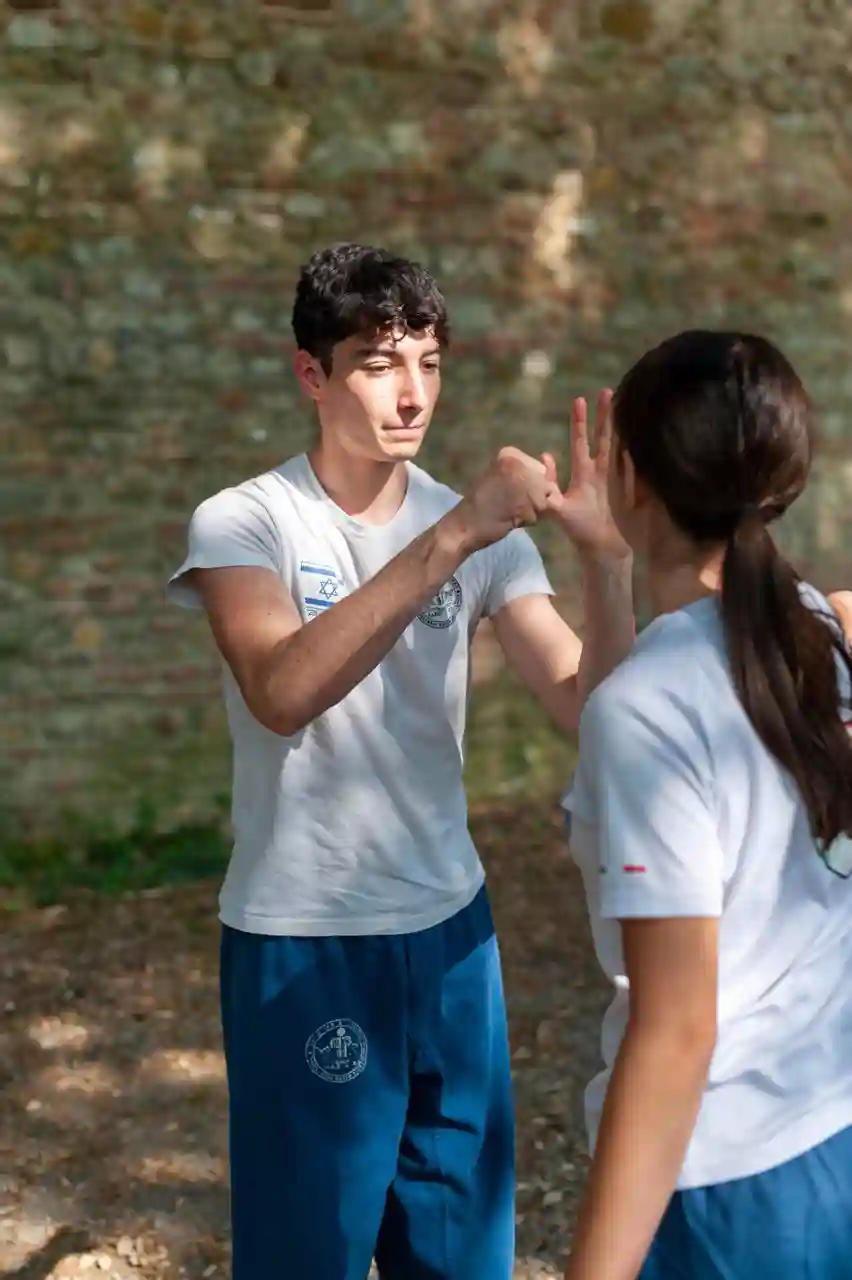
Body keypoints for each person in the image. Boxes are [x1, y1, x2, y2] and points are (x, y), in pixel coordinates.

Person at [167, 243, 634, 1280]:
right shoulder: (247, 520)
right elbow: (282, 690)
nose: (412, 392)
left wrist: (607, 566)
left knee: (462, 1255)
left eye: (428, 362)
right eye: (379, 364)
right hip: (305, 936)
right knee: (308, 1256)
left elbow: (591, 709)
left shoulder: (482, 535)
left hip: (454, 933)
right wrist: (453, 535)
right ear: (312, 372)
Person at [562, 329, 852, 1280]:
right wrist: (605, 566)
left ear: (630, 478)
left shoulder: (650, 708)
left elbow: (678, 1032)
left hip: (730, 1193)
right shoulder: (816, 630)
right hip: (832, 1133)